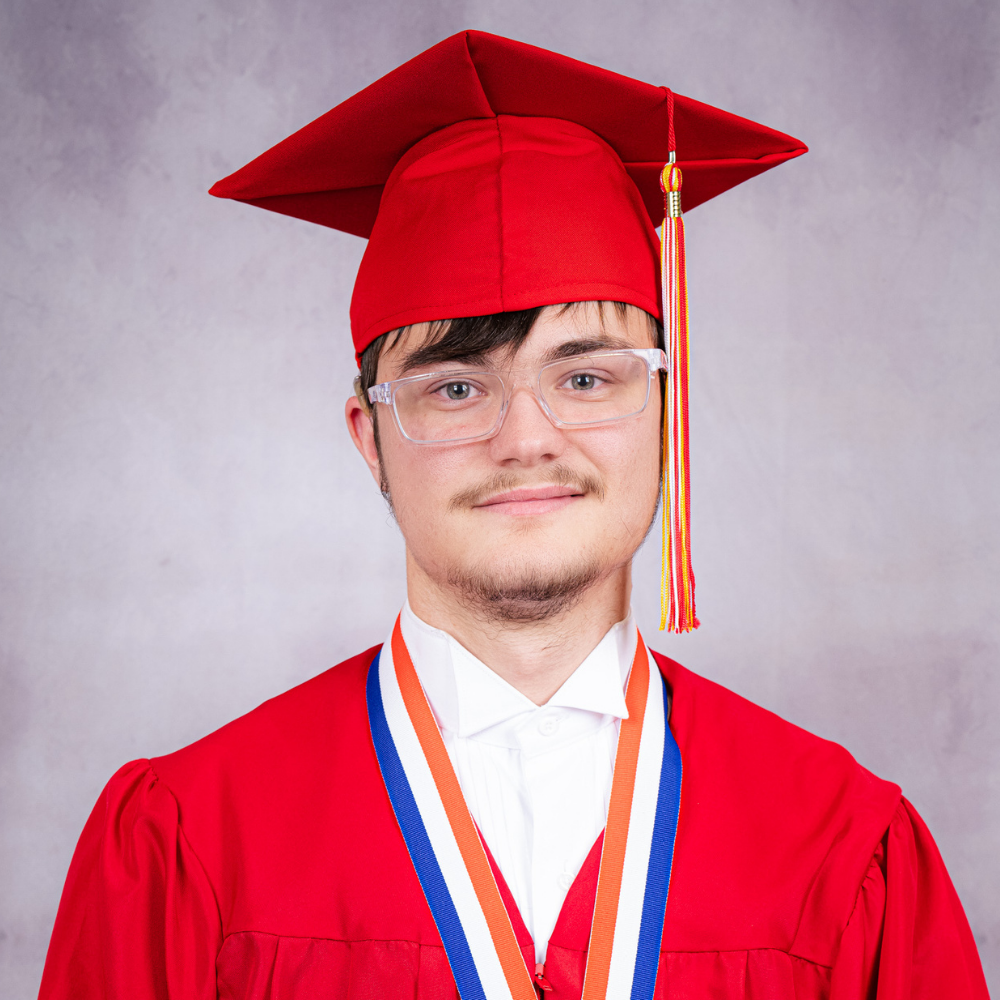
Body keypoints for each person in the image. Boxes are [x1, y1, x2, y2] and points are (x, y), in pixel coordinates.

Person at [38, 30, 988, 1000]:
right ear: (370, 437)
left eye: (584, 375)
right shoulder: (188, 848)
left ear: (668, 413)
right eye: (455, 388)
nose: (526, 437)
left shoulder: (840, 849)